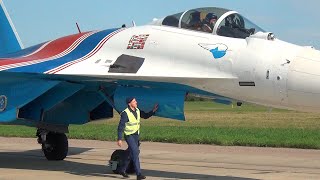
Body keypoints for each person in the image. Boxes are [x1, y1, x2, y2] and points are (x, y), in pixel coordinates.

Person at [117, 97, 158, 180]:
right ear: (129, 103)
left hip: (136, 135)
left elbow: (145, 116)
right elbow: (120, 127)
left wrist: (153, 111)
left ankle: (122, 169)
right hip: (129, 135)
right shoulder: (125, 113)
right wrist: (119, 139)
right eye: (134, 101)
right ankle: (138, 174)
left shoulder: (137, 110)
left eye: (135, 101)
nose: (136, 102)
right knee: (135, 152)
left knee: (131, 153)